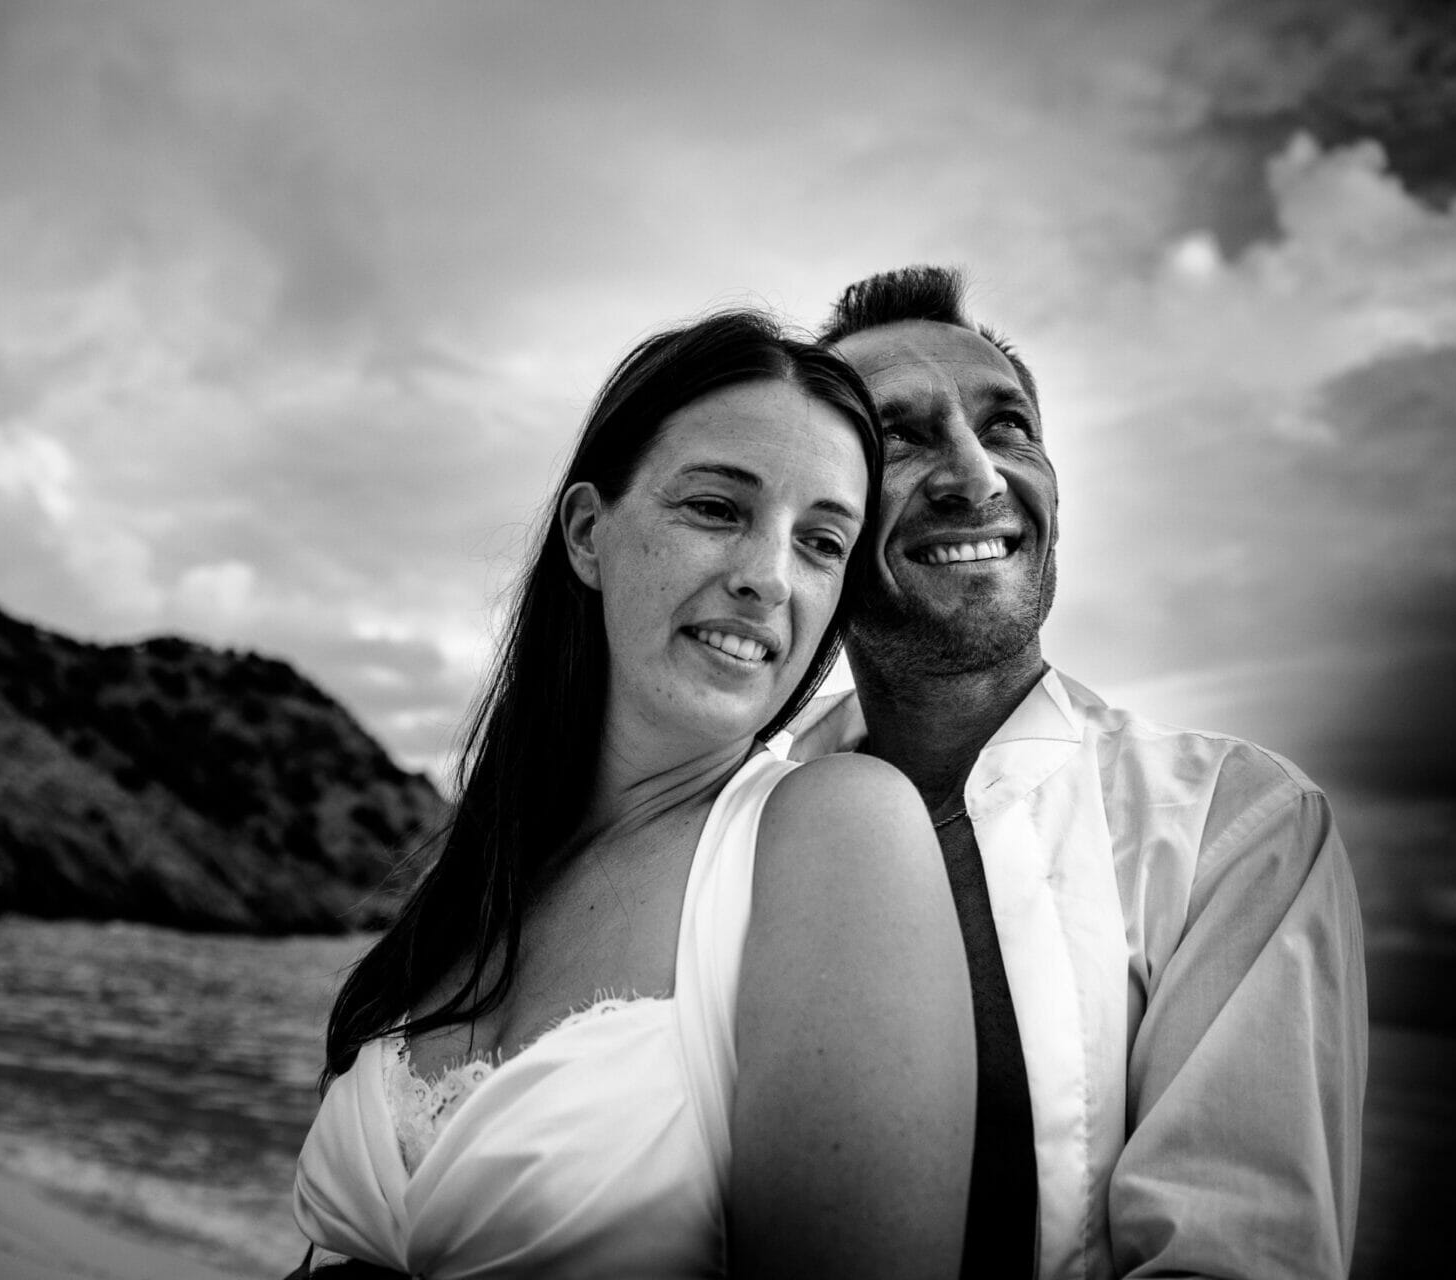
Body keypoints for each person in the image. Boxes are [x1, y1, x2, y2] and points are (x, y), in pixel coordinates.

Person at [290, 311, 977, 1277]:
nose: (768, 579)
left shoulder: (837, 830)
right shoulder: (491, 866)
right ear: (586, 534)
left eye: (823, 542)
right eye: (717, 509)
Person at [789, 265, 1368, 1280]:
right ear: (819, 520)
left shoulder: (1238, 826)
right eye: (901, 435)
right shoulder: (740, 824)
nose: (977, 477)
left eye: (1008, 425)